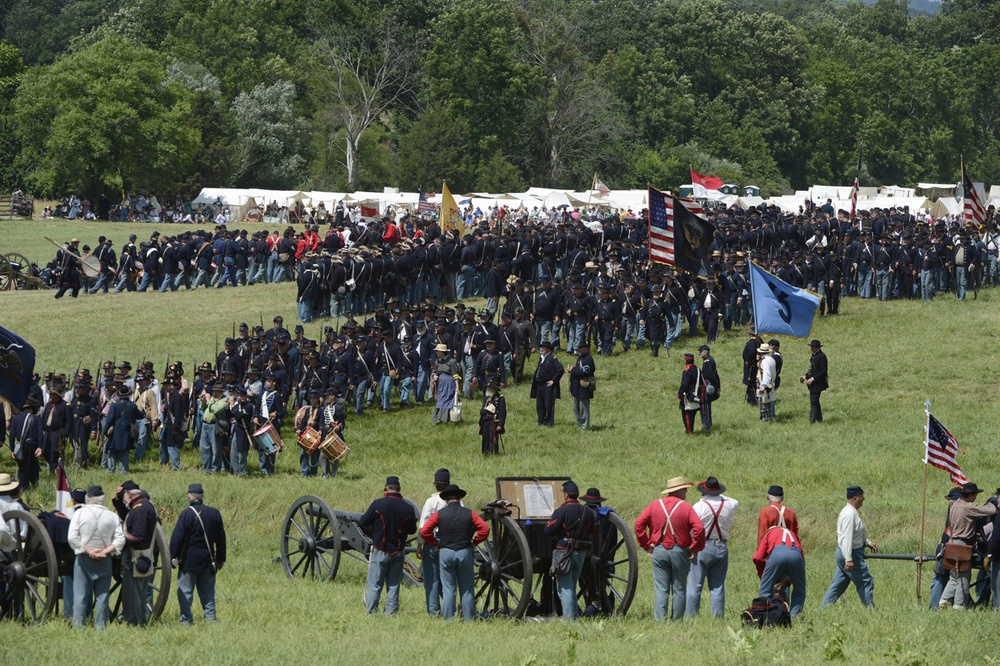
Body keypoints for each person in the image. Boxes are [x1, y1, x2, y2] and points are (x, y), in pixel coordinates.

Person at [634, 476, 706, 620]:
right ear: (678, 491)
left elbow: (638, 525)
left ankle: (660, 620)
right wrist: (694, 548)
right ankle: (677, 620)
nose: (686, 491)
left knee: (661, 589)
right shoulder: (686, 507)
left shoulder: (655, 505)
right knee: (679, 588)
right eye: (685, 489)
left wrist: (646, 545)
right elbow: (699, 529)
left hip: (659, 550)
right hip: (680, 551)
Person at [419, 484, 490, 621]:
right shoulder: (470, 513)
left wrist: (435, 543)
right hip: (464, 551)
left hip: (446, 552)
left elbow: (424, 531)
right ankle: (469, 619)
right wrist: (475, 543)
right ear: (459, 498)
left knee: (448, 589)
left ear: (446, 499)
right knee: (467, 589)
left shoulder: (439, 514)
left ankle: (448, 619)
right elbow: (485, 529)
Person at [67, 485, 125, 629]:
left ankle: (79, 627)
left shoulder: (79, 514)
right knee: (102, 596)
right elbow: (120, 540)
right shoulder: (112, 516)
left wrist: (88, 550)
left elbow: (72, 537)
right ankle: (101, 627)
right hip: (105, 559)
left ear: (87, 499)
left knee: (80, 596)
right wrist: (105, 551)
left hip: (84, 559)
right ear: (101, 500)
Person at [358, 476, 417, 615]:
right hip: (398, 551)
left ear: (386, 488)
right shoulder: (408, 508)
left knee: (375, 585)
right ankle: (390, 614)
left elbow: (363, 521)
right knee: (394, 585)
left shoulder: (378, 504)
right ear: (399, 490)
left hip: (380, 549)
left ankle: (371, 612)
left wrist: (375, 531)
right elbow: (412, 530)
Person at [169, 483, 227, 624]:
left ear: (189, 496)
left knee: (185, 593)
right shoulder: (214, 513)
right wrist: (220, 559)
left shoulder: (186, 514)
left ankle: (186, 620)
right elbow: (221, 539)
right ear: (202, 497)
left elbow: (177, 538)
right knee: (208, 593)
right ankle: (211, 620)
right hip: (208, 558)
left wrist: (172, 557)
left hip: (189, 559)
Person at [686, 476, 739, 618]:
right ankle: (717, 617)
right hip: (721, 545)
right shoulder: (729, 504)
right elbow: (734, 501)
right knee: (717, 586)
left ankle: (691, 616)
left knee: (695, 585)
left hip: (702, 546)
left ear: (704, 491)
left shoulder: (699, 506)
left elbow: (691, 528)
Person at [544, 480, 597, 621]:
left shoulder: (561, 511)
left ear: (566, 495)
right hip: (580, 552)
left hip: (564, 552)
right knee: (571, 585)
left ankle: (569, 622)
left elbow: (548, 530)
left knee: (565, 588)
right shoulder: (587, 511)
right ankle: (575, 615)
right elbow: (592, 529)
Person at [938, 481, 996, 609]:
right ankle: (959, 606)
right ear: (971, 495)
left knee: (954, 576)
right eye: (975, 495)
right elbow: (990, 510)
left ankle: (943, 600)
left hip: (952, 543)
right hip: (963, 545)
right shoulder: (969, 507)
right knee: (964, 578)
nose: (976, 498)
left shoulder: (954, 505)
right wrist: (993, 501)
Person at [822, 485, 878, 608]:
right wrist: (849, 558)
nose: (863, 499)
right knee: (865, 582)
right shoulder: (849, 515)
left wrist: (867, 542)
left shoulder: (851, 512)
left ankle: (824, 608)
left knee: (839, 584)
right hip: (851, 553)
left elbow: (856, 533)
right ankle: (870, 611)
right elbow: (846, 538)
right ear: (855, 498)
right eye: (861, 496)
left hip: (847, 552)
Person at [114, 480, 159, 626]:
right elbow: (127, 516)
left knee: (132, 594)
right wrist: (117, 500)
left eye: (124, 496)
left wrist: (118, 542)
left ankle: (133, 623)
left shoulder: (140, 509)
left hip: (135, 557)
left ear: (128, 494)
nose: (123, 498)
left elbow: (137, 535)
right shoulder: (144, 505)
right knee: (138, 593)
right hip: (143, 556)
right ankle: (141, 622)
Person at [753, 524, 807, 618]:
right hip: (796, 555)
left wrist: (764, 576)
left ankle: (766, 617)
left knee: (766, 590)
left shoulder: (768, 533)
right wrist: (792, 576)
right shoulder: (792, 533)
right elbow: (801, 556)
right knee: (799, 591)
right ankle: (794, 617)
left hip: (777, 554)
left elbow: (758, 557)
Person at [418, 469, 450, 617]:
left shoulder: (431, 501)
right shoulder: (456, 501)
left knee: (432, 579)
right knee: (448, 579)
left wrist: (419, 544)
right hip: (450, 542)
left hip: (433, 540)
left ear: (435, 484)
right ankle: (450, 610)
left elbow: (423, 525)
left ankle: (434, 612)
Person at [530, 340, 563, 427]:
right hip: (539, 384)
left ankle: (549, 422)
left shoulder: (552, 359)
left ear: (548, 349)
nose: (542, 349)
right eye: (541, 347)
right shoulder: (541, 358)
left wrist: (553, 380)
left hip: (547, 385)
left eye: (544, 348)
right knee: (539, 405)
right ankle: (541, 421)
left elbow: (560, 370)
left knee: (548, 404)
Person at [800, 339, 828, 423]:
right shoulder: (814, 356)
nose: (811, 348)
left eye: (813, 347)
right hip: (813, 383)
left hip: (818, 382)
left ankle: (812, 420)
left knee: (814, 401)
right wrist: (805, 376)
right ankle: (819, 419)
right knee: (815, 401)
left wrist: (812, 378)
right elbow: (812, 369)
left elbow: (823, 371)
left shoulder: (822, 356)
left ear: (817, 347)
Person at [569, 341, 595, 430]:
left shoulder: (588, 359)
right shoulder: (580, 358)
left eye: (581, 348)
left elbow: (583, 372)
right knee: (576, 409)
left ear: (587, 348)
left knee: (584, 409)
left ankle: (585, 426)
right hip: (577, 387)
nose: (579, 349)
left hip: (584, 388)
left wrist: (572, 370)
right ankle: (579, 425)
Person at [479, 380, 506, 455]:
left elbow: (502, 413)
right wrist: (480, 422)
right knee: (485, 437)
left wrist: (500, 424)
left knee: (492, 438)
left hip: (493, 421)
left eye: (491, 388)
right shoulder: (486, 399)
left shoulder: (500, 399)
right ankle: (485, 452)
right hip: (485, 420)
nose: (489, 389)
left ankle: (493, 453)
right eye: (488, 387)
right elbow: (482, 411)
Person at [678, 353, 701, 434]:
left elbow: (685, 384)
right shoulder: (698, 369)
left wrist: (680, 394)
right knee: (692, 415)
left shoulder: (687, 371)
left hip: (688, 396)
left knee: (687, 415)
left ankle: (689, 432)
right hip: (696, 395)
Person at [698, 344, 720, 431]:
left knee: (705, 405)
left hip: (707, 386)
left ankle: (706, 425)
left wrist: (714, 387)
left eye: (701, 351)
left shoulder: (707, 361)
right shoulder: (709, 360)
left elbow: (710, 376)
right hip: (709, 385)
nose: (699, 353)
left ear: (705, 352)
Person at [756, 343, 776, 422]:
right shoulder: (771, 359)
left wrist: (763, 386)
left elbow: (766, 374)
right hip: (771, 383)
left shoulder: (765, 362)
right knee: (767, 401)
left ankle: (765, 420)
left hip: (765, 383)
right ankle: (767, 419)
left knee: (763, 403)